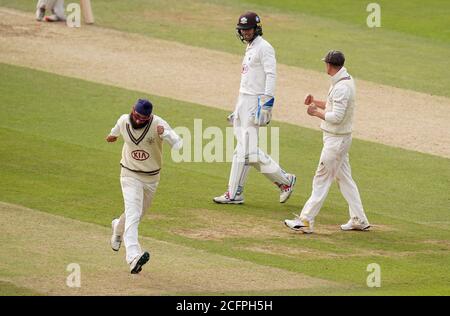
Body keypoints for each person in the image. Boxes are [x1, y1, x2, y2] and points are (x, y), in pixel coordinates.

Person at [213, 12, 296, 205]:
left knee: (247, 151)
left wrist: (266, 104)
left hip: (256, 102)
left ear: (256, 28)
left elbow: (271, 75)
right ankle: (234, 193)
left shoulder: (265, 48)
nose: (245, 33)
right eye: (242, 30)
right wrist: (237, 109)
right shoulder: (250, 48)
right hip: (244, 101)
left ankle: (285, 180)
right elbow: (247, 81)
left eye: (248, 29)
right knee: (241, 151)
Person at [284, 50, 370, 234]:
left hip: (336, 141)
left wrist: (315, 112)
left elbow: (337, 117)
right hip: (339, 139)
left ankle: (306, 221)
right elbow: (334, 106)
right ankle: (359, 219)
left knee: (321, 180)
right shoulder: (344, 80)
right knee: (345, 180)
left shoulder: (341, 87)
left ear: (329, 65)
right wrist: (315, 102)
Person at [106, 99, 182, 273]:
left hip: (151, 179)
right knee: (133, 214)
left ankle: (118, 227)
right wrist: (112, 135)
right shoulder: (124, 119)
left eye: (144, 119)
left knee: (137, 215)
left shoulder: (158, 124)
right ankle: (133, 257)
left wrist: (167, 135)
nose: (139, 120)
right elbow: (116, 130)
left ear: (150, 117)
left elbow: (179, 144)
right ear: (132, 110)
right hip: (129, 174)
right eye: (137, 116)